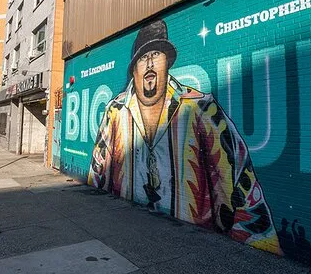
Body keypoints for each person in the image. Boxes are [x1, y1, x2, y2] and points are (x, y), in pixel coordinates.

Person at [88, 20, 281, 254]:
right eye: (143, 57)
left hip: (195, 246)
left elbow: (244, 192)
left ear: (167, 63)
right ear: (134, 69)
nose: (149, 63)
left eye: (156, 54)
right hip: (126, 229)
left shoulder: (201, 109)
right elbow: (98, 172)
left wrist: (255, 251)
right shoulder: (115, 111)